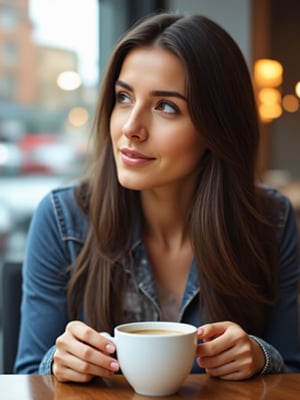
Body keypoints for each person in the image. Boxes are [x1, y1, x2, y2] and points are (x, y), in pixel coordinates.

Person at [15, 12, 300, 382]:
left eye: (166, 106)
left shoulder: (271, 221)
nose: (131, 128)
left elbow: (293, 368)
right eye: (123, 97)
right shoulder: (61, 217)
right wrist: (58, 362)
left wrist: (261, 357)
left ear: (217, 127)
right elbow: (24, 375)